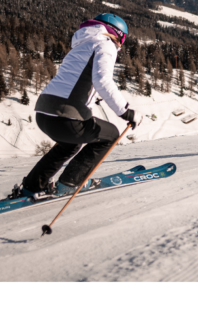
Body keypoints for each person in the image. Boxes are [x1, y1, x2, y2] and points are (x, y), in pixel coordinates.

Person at [14, 14, 137, 199]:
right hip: (66, 116)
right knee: (110, 134)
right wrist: (126, 111)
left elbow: (76, 79)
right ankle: (70, 182)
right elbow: (103, 80)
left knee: (69, 145)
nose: (121, 44)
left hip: (44, 113)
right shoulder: (106, 45)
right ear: (118, 34)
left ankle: (31, 187)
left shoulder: (82, 45)